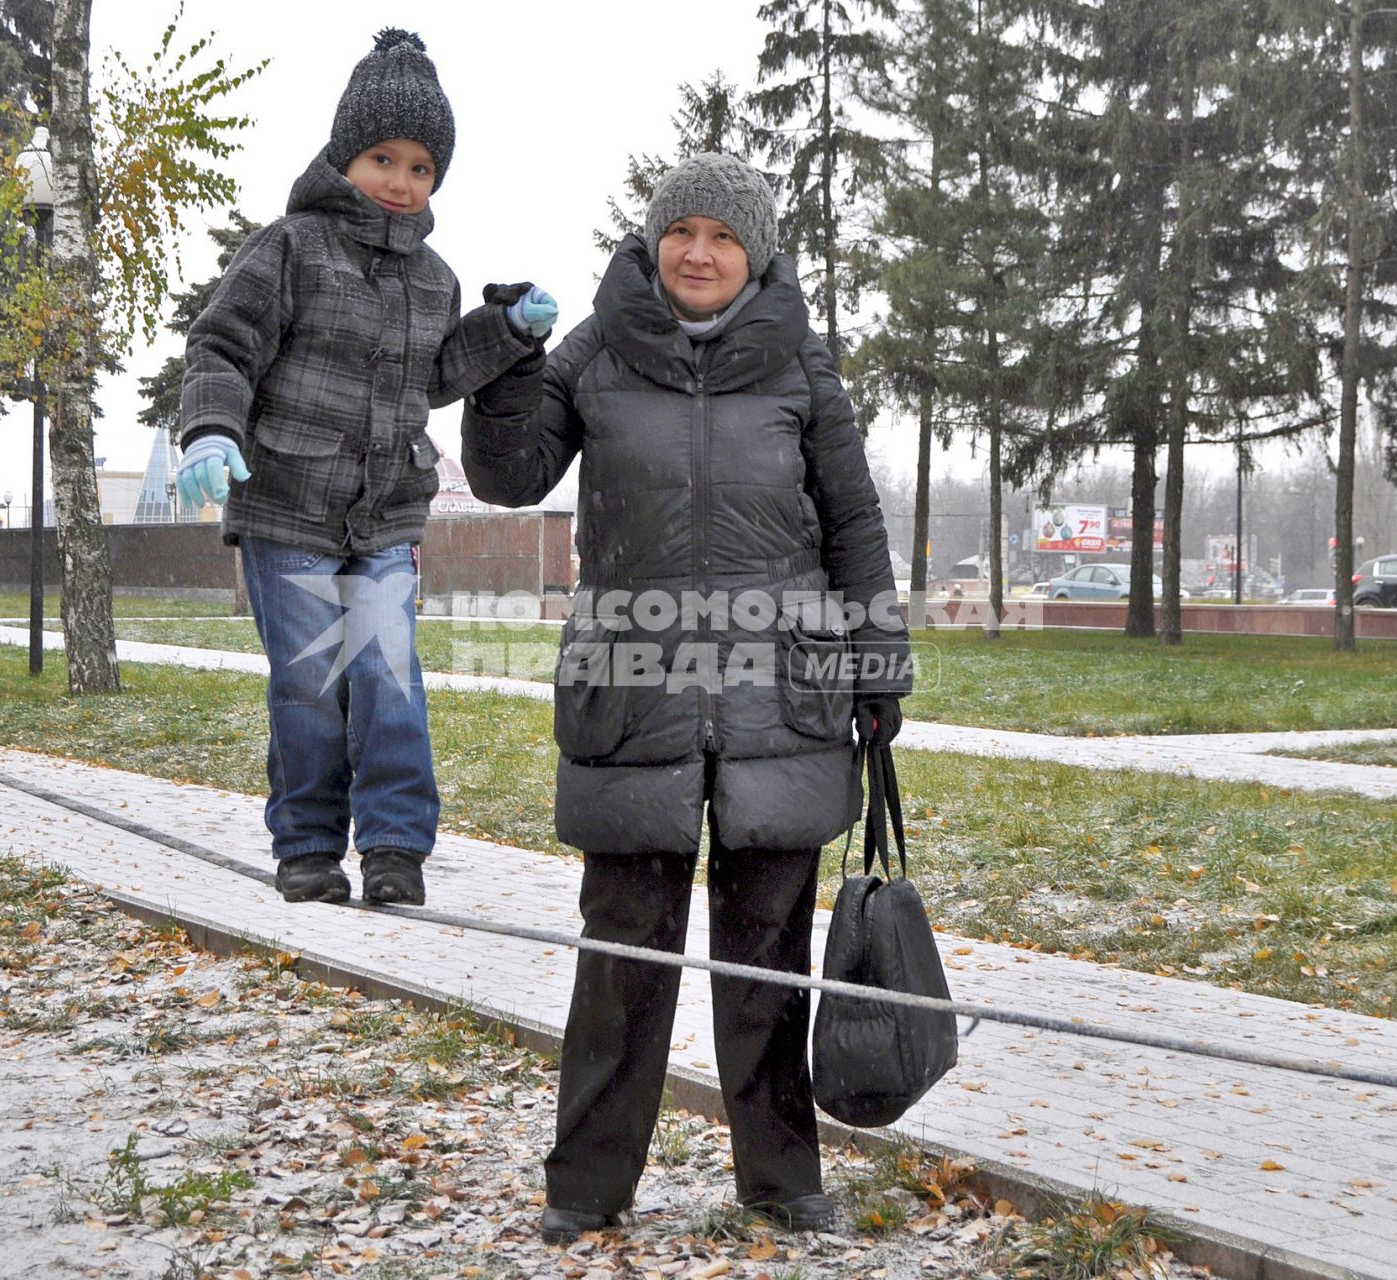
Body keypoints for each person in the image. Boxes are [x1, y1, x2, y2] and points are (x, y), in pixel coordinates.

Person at [460, 153, 909, 1242]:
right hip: (634, 696)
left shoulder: (802, 358)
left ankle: (783, 1180)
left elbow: (851, 521)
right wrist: (503, 363)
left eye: (722, 235)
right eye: (681, 232)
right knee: (624, 953)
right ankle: (586, 1186)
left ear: (754, 251)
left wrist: (877, 666)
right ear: (652, 242)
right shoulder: (599, 347)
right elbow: (509, 474)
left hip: (782, 696)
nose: (699, 253)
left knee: (770, 957)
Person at [177, 29, 556, 909]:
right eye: (383, 158)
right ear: (345, 156)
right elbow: (222, 347)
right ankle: (309, 843)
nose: (400, 180)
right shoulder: (289, 249)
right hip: (286, 508)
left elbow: (438, 375)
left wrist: (508, 332)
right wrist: (208, 429)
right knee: (312, 680)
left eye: (421, 167)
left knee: (388, 677)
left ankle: (393, 846)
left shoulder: (438, 280)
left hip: (384, 516)